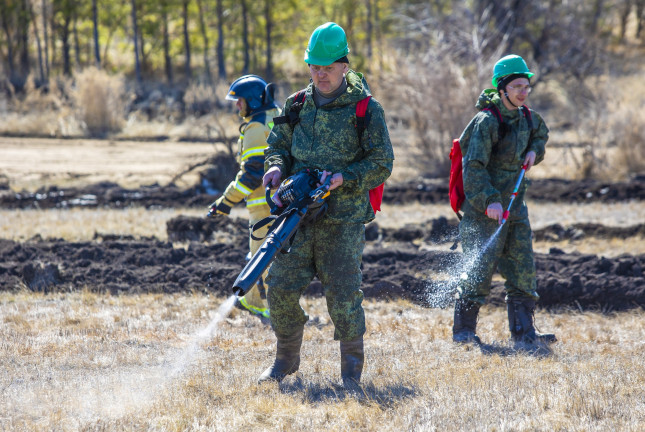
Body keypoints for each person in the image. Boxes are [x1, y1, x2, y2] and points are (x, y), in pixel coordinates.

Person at [258, 22, 394, 386]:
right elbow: (277, 146)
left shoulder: (366, 109)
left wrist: (343, 178)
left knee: (344, 298)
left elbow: (382, 163)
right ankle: (285, 360)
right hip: (298, 218)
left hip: (342, 220)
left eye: (328, 67)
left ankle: (351, 373)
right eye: (314, 66)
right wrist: (274, 169)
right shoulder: (297, 104)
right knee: (280, 289)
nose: (320, 74)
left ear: (344, 66)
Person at [452, 54, 556, 349]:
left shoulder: (528, 117)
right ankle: (463, 332)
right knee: (478, 272)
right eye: (517, 87)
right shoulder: (486, 122)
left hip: (515, 209)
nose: (523, 92)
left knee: (524, 269)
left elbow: (541, 134)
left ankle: (524, 334)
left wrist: (535, 150)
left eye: (526, 86)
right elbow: (472, 168)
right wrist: (489, 202)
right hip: (484, 211)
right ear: (502, 89)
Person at [208, 74, 280, 321]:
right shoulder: (276, 117)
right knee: (271, 258)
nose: (237, 105)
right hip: (284, 205)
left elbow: (252, 174)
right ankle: (267, 307)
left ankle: (268, 310)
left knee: (263, 261)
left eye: (239, 101)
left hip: (263, 208)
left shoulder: (256, 127)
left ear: (252, 100)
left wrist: (225, 202)